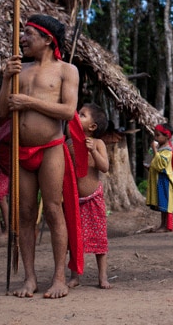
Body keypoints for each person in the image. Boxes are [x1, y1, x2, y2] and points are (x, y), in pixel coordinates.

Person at [0, 14, 82, 299]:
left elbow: (69, 111)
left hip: (50, 148)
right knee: (24, 213)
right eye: (23, 32)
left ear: (47, 39)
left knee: (54, 210)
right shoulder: (19, 70)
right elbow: (1, 112)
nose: (22, 37)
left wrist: (29, 101)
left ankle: (58, 278)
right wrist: (7, 79)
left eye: (29, 33)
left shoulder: (66, 70)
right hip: (20, 149)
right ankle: (30, 278)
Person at [67, 103, 111, 289]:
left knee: (99, 239)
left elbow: (105, 167)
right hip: (73, 200)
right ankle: (75, 276)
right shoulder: (68, 144)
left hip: (93, 198)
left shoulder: (99, 144)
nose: (77, 116)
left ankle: (102, 276)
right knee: (73, 240)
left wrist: (92, 150)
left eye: (82, 115)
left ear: (92, 127)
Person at [146, 123, 173, 233]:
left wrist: (155, 150)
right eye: (155, 135)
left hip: (164, 180)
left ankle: (165, 226)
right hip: (159, 180)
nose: (155, 138)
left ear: (167, 137)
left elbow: (160, 164)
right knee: (161, 204)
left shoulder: (167, 150)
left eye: (158, 135)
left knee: (165, 203)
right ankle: (162, 224)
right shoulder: (161, 149)